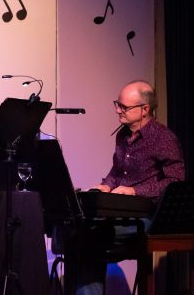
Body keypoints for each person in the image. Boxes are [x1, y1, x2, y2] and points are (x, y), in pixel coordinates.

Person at [70, 80, 185, 295]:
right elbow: (117, 172)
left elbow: (175, 181)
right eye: (117, 104)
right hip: (122, 212)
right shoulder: (122, 135)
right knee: (79, 231)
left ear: (144, 110)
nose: (117, 110)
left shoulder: (163, 138)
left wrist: (135, 191)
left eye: (124, 107)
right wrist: (106, 186)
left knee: (93, 238)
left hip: (150, 215)